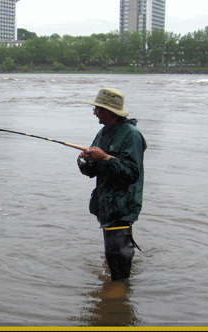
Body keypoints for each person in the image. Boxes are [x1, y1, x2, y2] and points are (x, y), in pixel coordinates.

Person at [77, 88, 147, 281]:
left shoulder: (131, 135)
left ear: (111, 111)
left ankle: (120, 294)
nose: (95, 112)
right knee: (113, 254)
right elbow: (91, 172)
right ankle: (116, 291)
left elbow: (131, 174)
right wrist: (85, 160)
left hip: (122, 205)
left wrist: (106, 158)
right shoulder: (103, 133)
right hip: (105, 203)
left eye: (98, 108)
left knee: (119, 262)